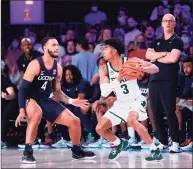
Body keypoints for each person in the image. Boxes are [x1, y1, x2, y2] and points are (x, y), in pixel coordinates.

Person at [15, 37, 96, 164]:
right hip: (32, 99)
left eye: (57, 45)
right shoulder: (35, 64)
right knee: (37, 114)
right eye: (53, 45)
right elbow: (23, 89)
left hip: (46, 100)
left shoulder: (58, 68)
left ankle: (76, 150)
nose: (57, 47)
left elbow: (57, 91)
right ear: (45, 48)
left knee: (75, 121)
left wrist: (71, 101)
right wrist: (21, 110)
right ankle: (27, 152)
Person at [95, 37, 162, 161]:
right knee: (100, 128)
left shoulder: (131, 61)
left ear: (114, 51)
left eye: (105, 48)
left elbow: (156, 68)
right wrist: (119, 78)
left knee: (131, 120)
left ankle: (154, 149)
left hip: (135, 99)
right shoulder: (104, 68)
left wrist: (143, 68)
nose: (102, 51)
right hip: (121, 103)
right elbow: (105, 92)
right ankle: (119, 143)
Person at [146, 14, 184, 153]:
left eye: (170, 21)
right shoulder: (156, 41)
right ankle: (162, 141)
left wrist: (157, 56)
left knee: (169, 111)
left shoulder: (177, 41)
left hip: (169, 80)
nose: (168, 23)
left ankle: (175, 142)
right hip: (154, 79)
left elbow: (173, 59)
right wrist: (163, 54)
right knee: (155, 111)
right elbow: (148, 56)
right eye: (165, 21)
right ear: (162, 24)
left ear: (174, 24)